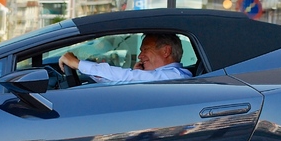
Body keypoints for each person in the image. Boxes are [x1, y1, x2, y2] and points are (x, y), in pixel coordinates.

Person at [58, 33, 192, 84]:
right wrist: (140, 75)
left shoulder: (174, 77)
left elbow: (124, 76)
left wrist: (77, 63)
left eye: (145, 50)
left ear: (165, 51)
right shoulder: (165, 76)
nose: (140, 56)